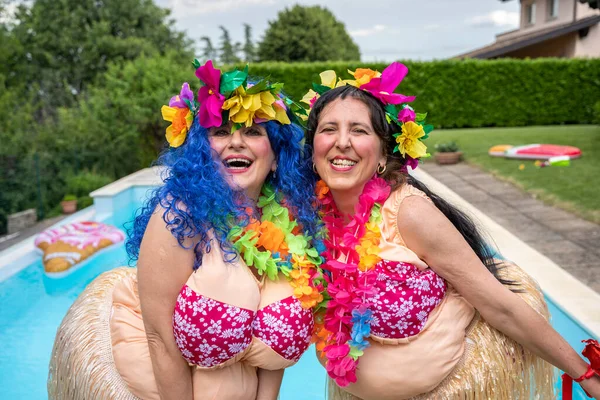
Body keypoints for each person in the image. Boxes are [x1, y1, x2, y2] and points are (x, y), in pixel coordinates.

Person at [302, 63, 600, 399]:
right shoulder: (306, 216)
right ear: (312, 149)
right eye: (329, 129)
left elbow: (499, 306)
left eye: (359, 130)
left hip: (451, 387)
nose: (342, 142)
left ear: (384, 153)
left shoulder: (408, 212)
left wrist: (586, 375)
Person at [48, 60, 326, 400]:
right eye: (221, 131)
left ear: (277, 156)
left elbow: (272, 346)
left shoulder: (285, 219)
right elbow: (160, 341)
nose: (236, 142)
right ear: (202, 151)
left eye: (253, 131)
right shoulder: (182, 215)